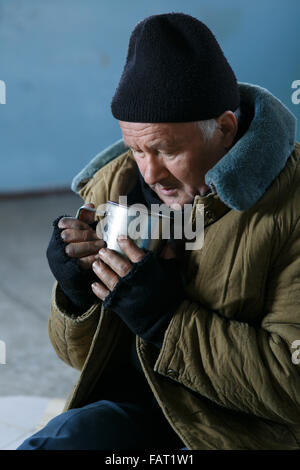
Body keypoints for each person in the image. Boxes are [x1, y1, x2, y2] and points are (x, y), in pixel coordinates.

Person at [18, 12, 300, 450]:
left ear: (224, 129)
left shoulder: (292, 207)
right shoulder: (113, 187)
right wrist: (76, 295)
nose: (150, 173)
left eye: (166, 150)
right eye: (135, 148)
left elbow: (293, 389)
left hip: (235, 431)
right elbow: (80, 360)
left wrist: (166, 320)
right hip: (129, 410)